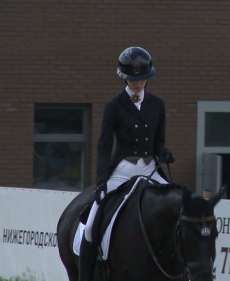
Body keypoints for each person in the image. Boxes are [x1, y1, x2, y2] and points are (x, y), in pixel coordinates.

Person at [78, 46, 175, 281]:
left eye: (142, 79)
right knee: (91, 223)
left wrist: (164, 153)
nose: (139, 84)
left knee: (175, 208)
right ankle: (87, 274)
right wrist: (102, 180)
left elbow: (158, 142)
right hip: (123, 168)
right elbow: (103, 145)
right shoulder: (113, 106)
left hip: (150, 167)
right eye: (134, 80)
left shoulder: (157, 104)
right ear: (125, 78)